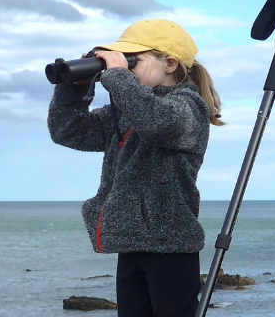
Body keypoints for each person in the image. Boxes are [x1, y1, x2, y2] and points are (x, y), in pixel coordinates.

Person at [47, 19, 223, 317]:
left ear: (169, 63)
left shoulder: (189, 107)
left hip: (171, 246)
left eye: (133, 61)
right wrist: (74, 88)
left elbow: (156, 121)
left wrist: (117, 75)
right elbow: (68, 130)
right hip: (132, 241)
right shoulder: (126, 113)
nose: (124, 69)